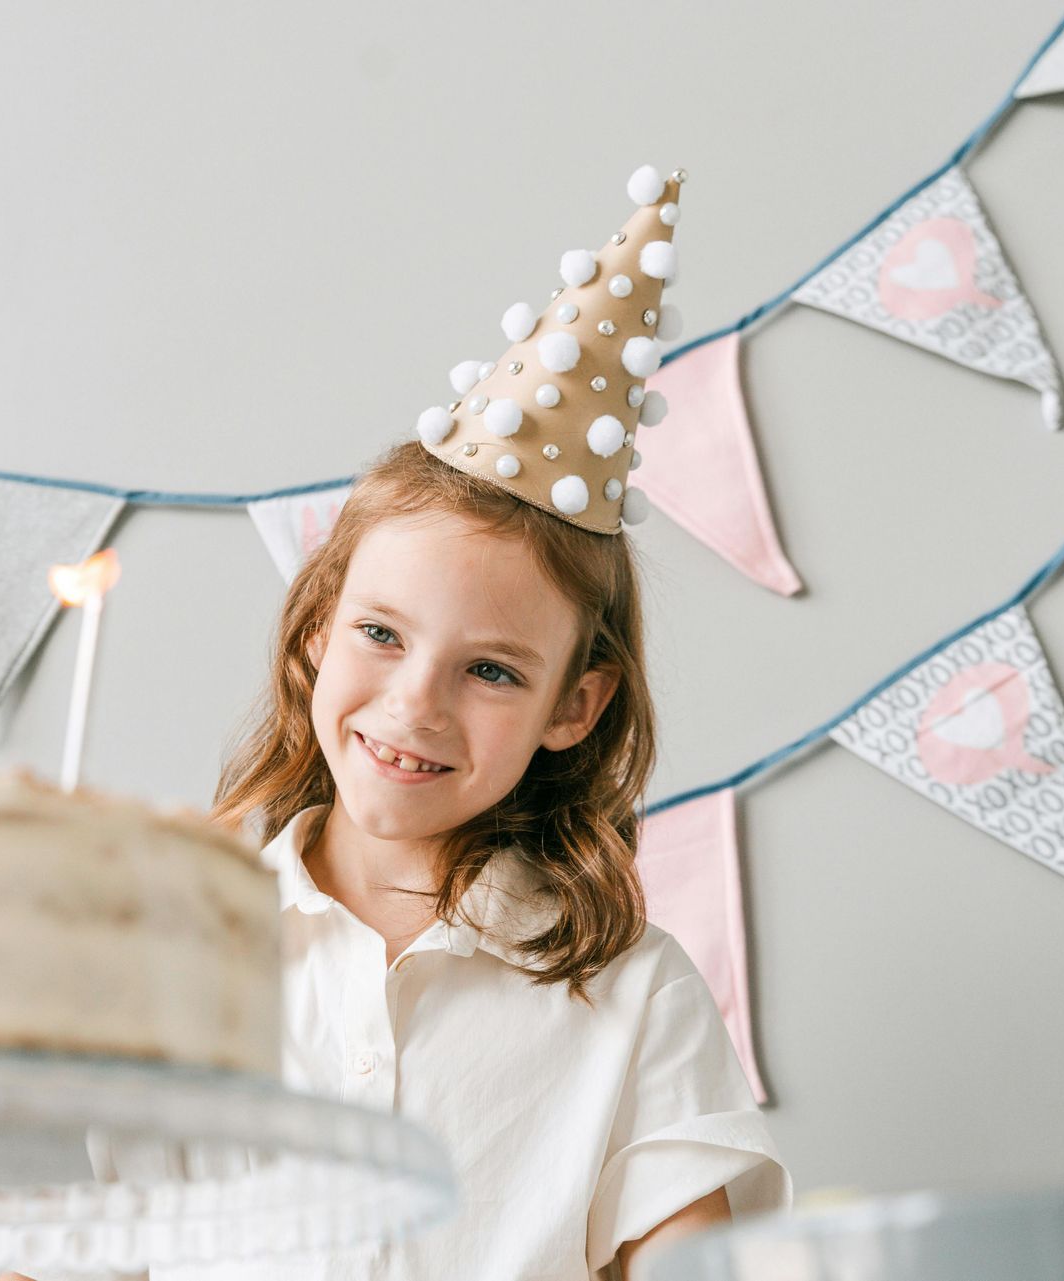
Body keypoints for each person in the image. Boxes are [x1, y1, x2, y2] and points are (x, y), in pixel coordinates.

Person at [203, 166, 791, 1280]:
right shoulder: (170, 952)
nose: (415, 704)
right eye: (381, 634)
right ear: (319, 623)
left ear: (575, 706)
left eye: (490, 670)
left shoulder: (631, 999)